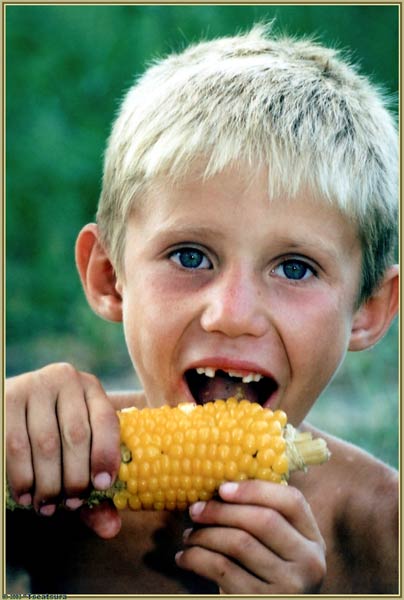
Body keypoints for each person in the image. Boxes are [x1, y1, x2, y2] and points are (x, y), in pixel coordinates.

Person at [6, 24, 398, 594]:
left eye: (294, 267)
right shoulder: (39, 498)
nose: (232, 313)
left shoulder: (384, 537)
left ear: (368, 310)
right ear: (109, 276)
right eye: (190, 256)